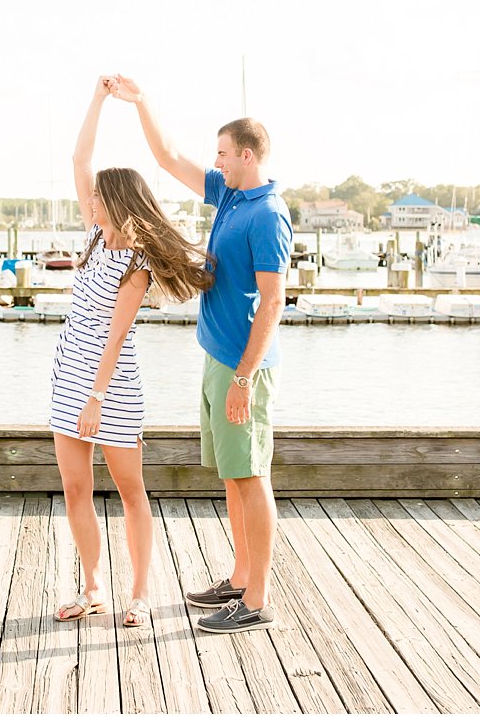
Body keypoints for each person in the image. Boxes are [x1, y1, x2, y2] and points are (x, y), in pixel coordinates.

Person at [110, 73, 292, 635]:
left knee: (251, 475)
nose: (214, 162)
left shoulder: (267, 213)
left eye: (221, 153)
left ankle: (256, 599)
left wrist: (244, 377)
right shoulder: (232, 195)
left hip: (244, 369)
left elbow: (273, 300)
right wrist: (141, 102)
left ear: (244, 154)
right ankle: (239, 578)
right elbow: (166, 157)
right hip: (218, 359)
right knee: (232, 476)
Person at [50, 76, 214, 629]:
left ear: (115, 203)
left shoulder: (138, 263)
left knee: (129, 490)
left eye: (97, 196)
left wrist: (96, 398)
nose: (89, 199)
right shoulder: (96, 236)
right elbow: (79, 156)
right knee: (75, 488)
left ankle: (139, 594)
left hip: (111, 385)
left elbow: (116, 338)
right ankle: (93, 587)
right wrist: (98, 98)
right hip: (68, 377)